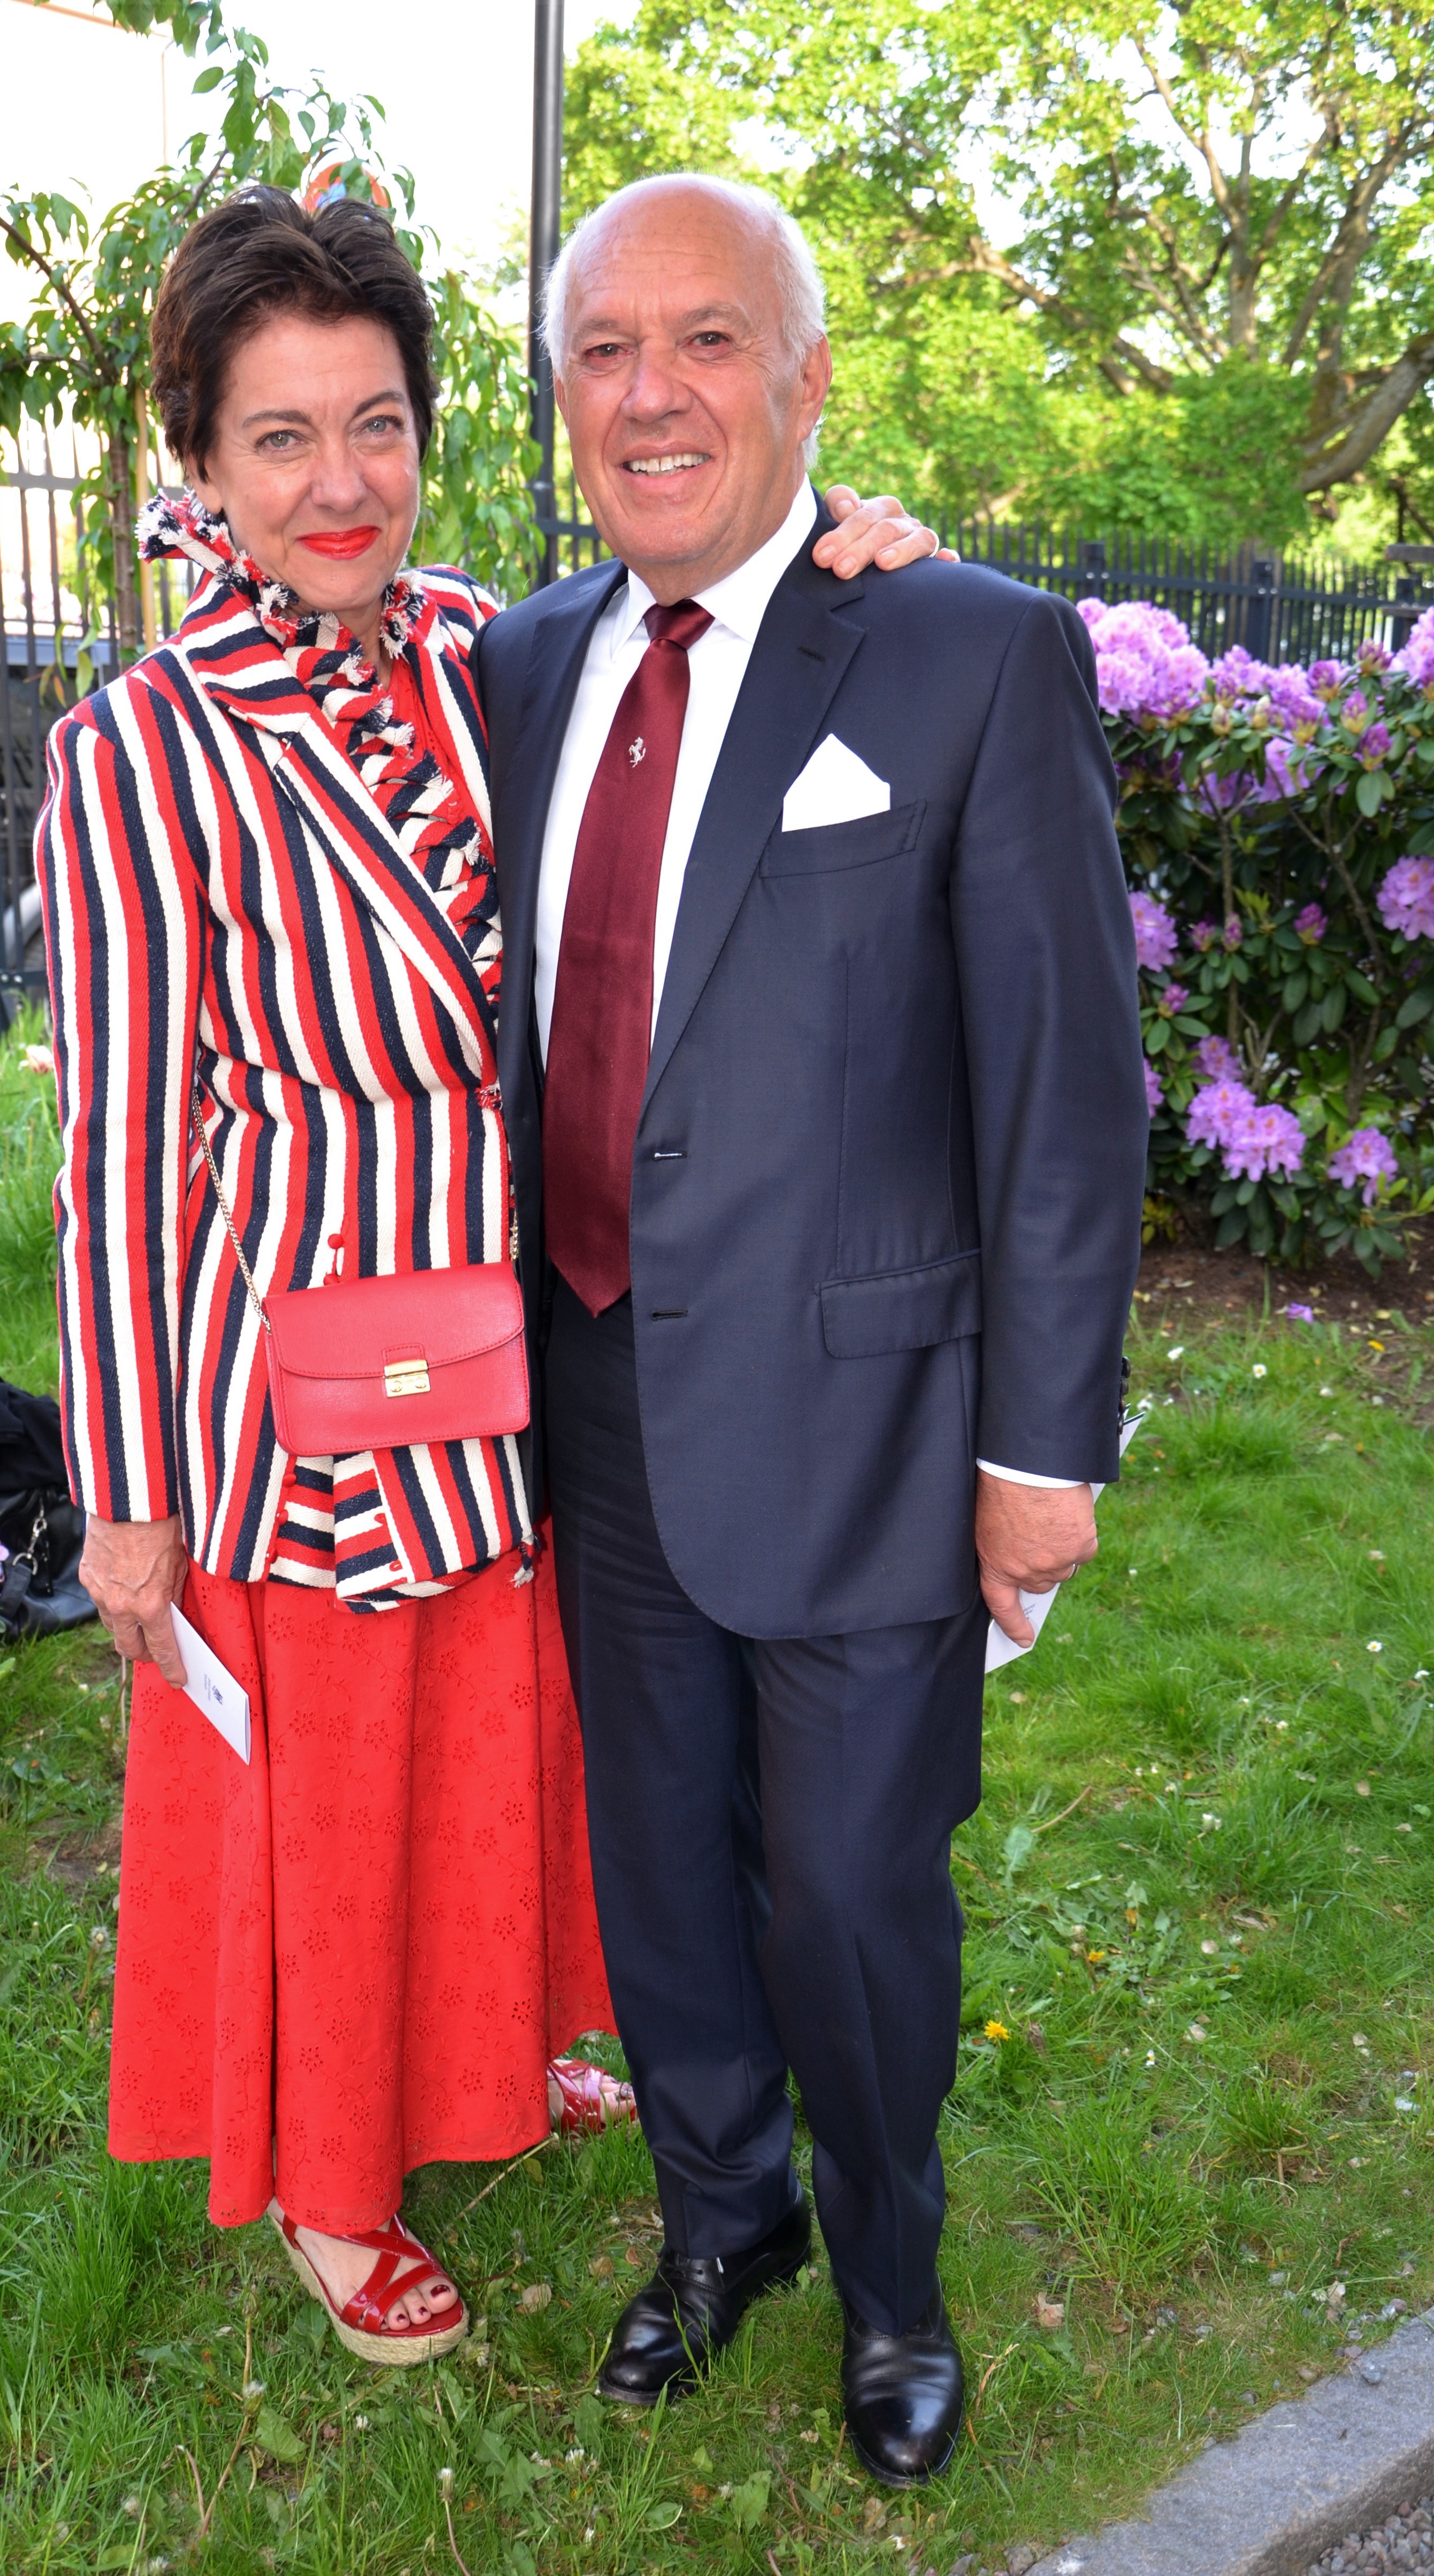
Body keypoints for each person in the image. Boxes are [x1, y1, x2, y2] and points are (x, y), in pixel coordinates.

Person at [34, 183, 946, 2365]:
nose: (338, 480)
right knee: (344, 1795)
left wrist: (848, 547)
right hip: (304, 1388)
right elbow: (121, 1157)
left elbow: (701, 653)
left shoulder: (483, 654)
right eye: (278, 437)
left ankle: (495, 2052)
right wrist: (129, 1499)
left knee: (502, 1750)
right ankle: (336, 2186)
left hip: (525, 1352)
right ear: (200, 463)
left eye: (376, 422)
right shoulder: (138, 751)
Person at [474, 173, 1148, 2478]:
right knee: (663, 1866)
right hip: (593, 1391)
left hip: (871, 1421)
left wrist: (1044, 1449)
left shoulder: (964, 649)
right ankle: (721, 2216)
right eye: (602, 351)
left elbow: (1063, 1091)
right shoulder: (519, 667)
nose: (651, 394)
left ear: (810, 378)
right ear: (563, 398)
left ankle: (888, 2281)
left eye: (707, 341)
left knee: (853, 1894)